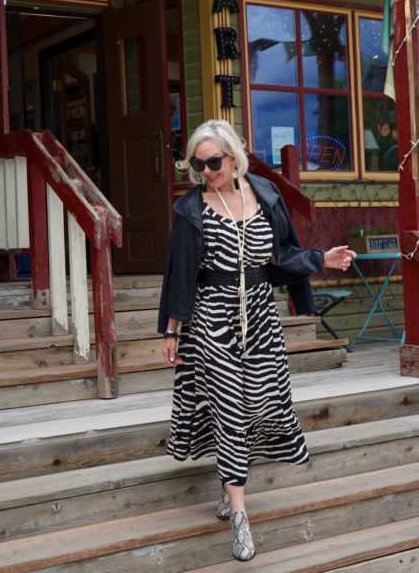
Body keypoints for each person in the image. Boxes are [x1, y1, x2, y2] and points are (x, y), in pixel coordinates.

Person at [157, 120, 356, 562]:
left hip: (261, 314)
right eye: (198, 163)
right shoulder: (191, 209)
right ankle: (242, 515)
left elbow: (281, 253)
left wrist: (320, 258)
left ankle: (228, 488)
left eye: (214, 161)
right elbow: (180, 273)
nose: (206, 171)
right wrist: (172, 331)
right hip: (212, 317)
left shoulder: (264, 193)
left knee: (260, 404)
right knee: (229, 405)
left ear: (233, 156)